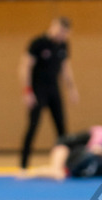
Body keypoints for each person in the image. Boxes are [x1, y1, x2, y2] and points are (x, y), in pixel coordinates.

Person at [19, 17, 79, 170]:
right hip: (38, 89)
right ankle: (24, 165)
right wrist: (27, 91)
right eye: (60, 31)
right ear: (53, 27)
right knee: (33, 126)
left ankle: (66, 164)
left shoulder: (63, 45)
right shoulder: (38, 43)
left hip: (54, 89)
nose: (62, 36)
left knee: (62, 129)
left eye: (65, 33)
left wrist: (71, 89)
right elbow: (25, 66)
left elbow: (66, 68)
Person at [18, 126, 102, 180]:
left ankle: (31, 173)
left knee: (60, 174)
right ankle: (29, 173)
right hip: (63, 147)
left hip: (73, 153)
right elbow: (92, 149)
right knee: (58, 173)